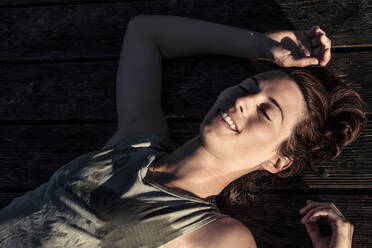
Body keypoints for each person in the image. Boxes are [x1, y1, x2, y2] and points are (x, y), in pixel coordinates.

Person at [0, 15, 365, 248]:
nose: (242, 101)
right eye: (248, 85)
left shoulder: (218, 236)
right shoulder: (136, 141)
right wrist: (262, 45)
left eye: (266, 111)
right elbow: (146, 33)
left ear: (278, 161)